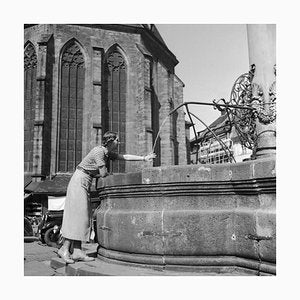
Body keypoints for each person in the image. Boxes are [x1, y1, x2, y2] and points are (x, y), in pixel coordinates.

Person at [57, 131, 156, 263]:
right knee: (77, 216)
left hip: (85, 181)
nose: (119, 143)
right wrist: (111, 175)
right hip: (79, 180)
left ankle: (77, 251)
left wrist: (144, 158)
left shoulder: (106, 153)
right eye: (117, 140)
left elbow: (124, 157)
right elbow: (103, 173)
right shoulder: (99, 151)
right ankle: (64, 249)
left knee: (83, 217)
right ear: (110, 141)